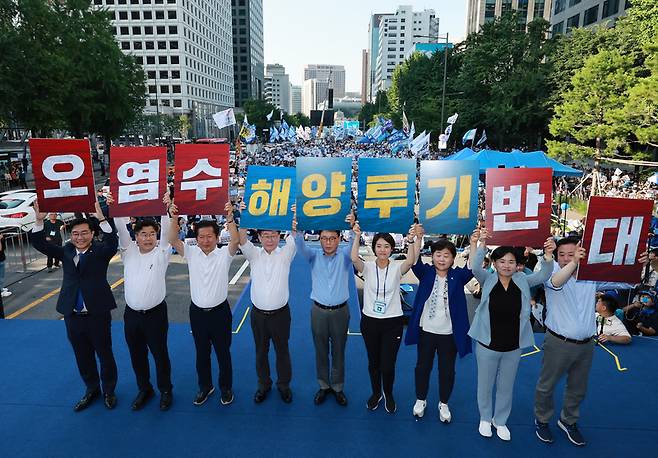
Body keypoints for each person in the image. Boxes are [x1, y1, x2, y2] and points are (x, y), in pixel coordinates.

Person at [534, 237, 647, 446]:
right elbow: (556, 283)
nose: (566, 258)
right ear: (556, 256)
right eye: (562, 254)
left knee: (578, 387)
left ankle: (568, 421)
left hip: (587, 344)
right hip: (558, 341)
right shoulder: (550, 272)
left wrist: (638, 264)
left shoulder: (590, 276)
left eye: (572, 253)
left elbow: (627, 282)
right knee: (546, 385)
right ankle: (541, 420)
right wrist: (574, 262)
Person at [30, 198, 119, 412]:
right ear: (71, 235)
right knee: (82, 354)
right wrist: (39, 220)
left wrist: (101, 217)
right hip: (72, 314)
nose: (80, 237)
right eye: (75, 234)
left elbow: (112, 242)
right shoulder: (66, 251)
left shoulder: (100, 251)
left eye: (84, 233)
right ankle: (91, 389)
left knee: (104, 353)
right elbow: (40, 244)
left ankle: (108, 390)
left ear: (92, 233)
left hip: (97, 313)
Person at [469, 229, 555, 441]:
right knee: (485, 384)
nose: (506, 265)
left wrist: (548, 255)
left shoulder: (522, 280)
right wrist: (481, 244)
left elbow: (544, 275)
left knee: (506, 386)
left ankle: (500, 421)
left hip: (513, 345)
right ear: (495, 263)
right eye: (501, 261)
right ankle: (485, 418)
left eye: (511, 261)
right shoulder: (487, 279)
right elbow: (473, 267)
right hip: (487, 343)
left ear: (517, 264)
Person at [169, 200, 240, 407]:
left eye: (210, 236)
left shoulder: (224, 254)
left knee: (223, 353)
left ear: (217, 237)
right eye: (202, 236)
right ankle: (205, 386)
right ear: (196, 238)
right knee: (201, 353)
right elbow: (172, 239)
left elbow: (235, 241)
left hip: (220, 313)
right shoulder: (191, 253)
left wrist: (229, 216)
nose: (206, 240)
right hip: (197, 313)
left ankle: (226, 388)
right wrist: (174, 215)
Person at [405, 226, 477, 422]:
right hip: (426, 332)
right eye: (438, 254)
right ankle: (421, 399)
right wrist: (416, 239)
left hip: (449, 335)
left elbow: (472, 267)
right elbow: (414, 261)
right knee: (422, 367)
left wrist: (473, 242)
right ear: (432, 257)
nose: (442, 259)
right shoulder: (426, 273)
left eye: (446, 255)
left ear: (453, 259)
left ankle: (443, 403)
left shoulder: (458, 277)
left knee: (447, 370)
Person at [110, 192, 174, 411]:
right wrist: (116, 206)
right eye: (143, 234)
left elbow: (167, 232)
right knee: (137, 355)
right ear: (135, 236)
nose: (148, 238)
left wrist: (166, 208)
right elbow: (120, 228)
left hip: (156, 314)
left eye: (151, 234)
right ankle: (144, 388)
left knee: (160, 354)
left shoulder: (162, 252)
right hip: (132, 315)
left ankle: (166, 390)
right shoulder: (128, 252)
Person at [351, 221, 417, 414]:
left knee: (387, 364)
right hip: (370, 321)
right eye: (379, 246)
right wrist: (356, 235)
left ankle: (388, 393)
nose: (382, 250)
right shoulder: (368, 268)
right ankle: (375, 393)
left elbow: (411, 261)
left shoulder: (397, 268)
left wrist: (411, 241)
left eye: (386, 246)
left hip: (392, 322)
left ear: (391, 249)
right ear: (374, 248)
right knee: (373, 363)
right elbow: (354, 258)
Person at [294, 212, 354, 407]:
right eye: (324, 238)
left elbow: (353, 244)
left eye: (332, 238)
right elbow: (299, 243)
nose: (328, 242)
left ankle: (337, 387)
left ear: (339, 239)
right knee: (320, 351)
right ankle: (323, 385)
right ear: (319, 239)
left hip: (340, 312)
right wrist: (298, 223)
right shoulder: (313, 256)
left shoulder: (345, 256)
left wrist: (353, 227)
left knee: (338, 351)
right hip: (318, 312)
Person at [238, 219, 297, 404]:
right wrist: (245, 217)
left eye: (273, 235)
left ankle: (284, 385)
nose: (270, 239)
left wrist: (294, 218)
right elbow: (242, 240)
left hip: (280, 315)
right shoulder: (254, 255)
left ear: (279, 236)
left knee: (282, 351)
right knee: (260, 352)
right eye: (265, 236)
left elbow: (295, 234)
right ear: (260, 237)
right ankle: (263, 385)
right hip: (258, 315)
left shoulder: (286, 254)